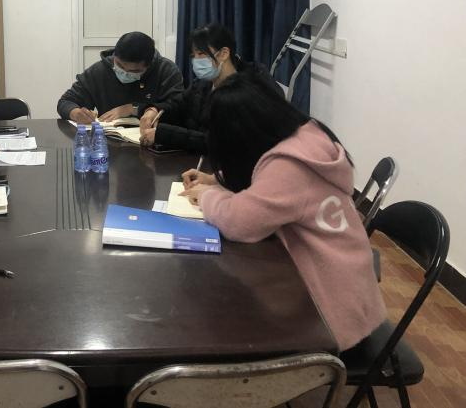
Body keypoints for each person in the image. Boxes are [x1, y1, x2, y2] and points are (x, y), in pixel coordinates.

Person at [179, 72, 386, 351]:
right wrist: (217, 179)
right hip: (350, 295)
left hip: (331, 318)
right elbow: (265, 183)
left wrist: (208, 196)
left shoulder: (289, 166)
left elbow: (240, 223)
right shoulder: (306, 137)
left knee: (215, 324)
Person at [138, 24, 276, 152]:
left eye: (201, 54)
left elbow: (224, 142)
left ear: (224, 53)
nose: (196, 60)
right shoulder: (203, 83)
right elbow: (179, 104)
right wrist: (154, 110)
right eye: (193, 55)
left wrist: (164, 134)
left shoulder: (250, 88)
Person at [57, 31, 184, 124]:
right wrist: (75, 113)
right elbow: (65, 102)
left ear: (149, 65)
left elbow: (179, 109)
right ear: (114, 56)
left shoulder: (166, 70)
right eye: (120, 66)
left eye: (134, 71)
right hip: (109, 141)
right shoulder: (100, 70)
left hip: (153, 142)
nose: (124, 73)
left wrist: (134, 109)